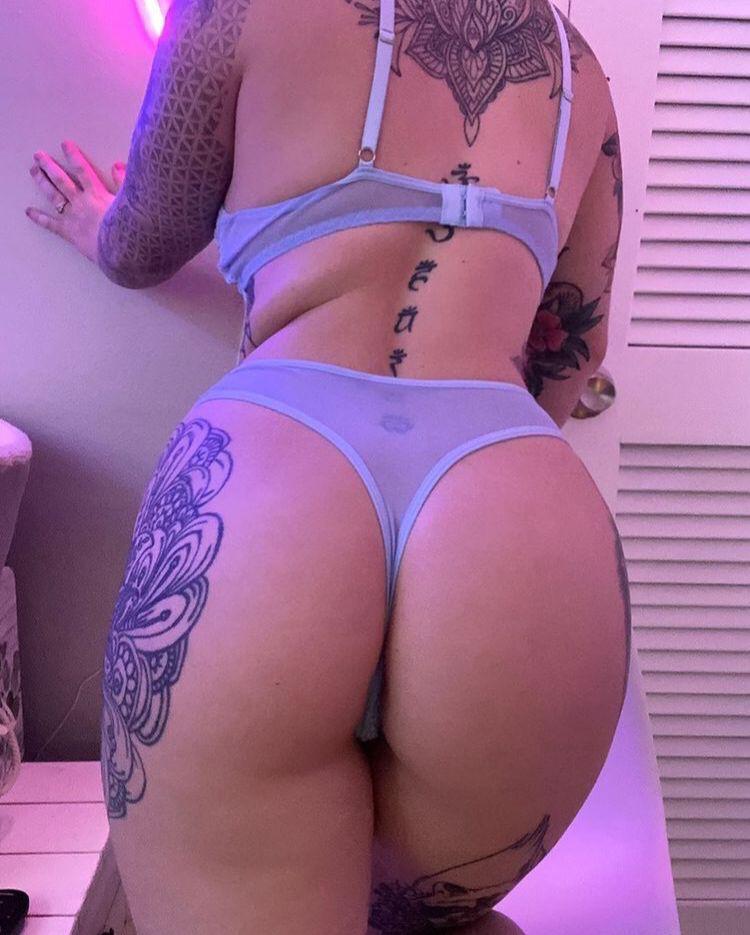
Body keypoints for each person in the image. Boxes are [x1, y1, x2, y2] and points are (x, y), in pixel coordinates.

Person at [26, 1, 630, 932]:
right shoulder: (575, 62)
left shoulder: (235, 9)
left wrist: (94, 222)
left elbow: (141, 246)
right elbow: (570, 348)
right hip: (511, 508)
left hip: (270, 489)